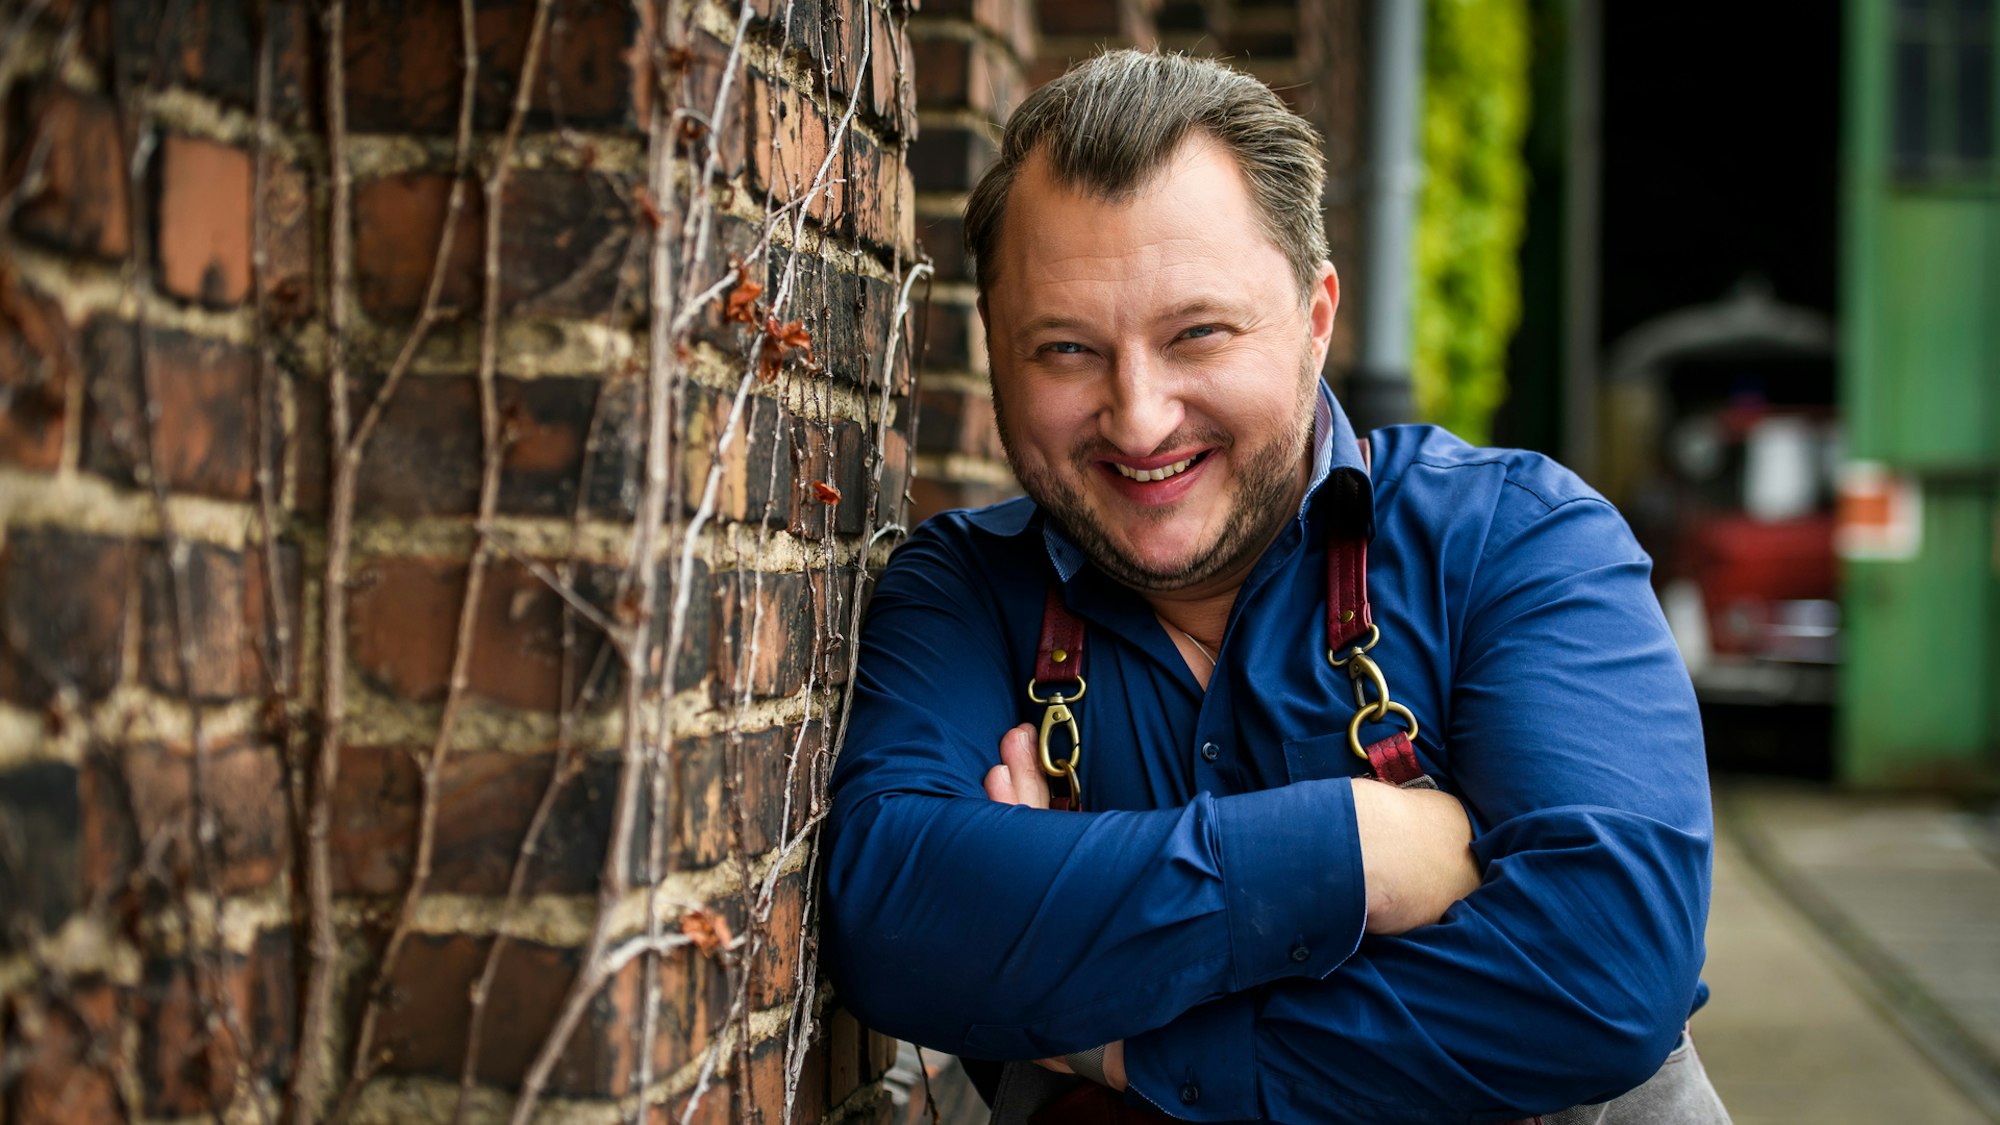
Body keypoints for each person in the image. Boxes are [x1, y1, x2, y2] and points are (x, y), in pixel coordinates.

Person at [822, 50, 1725, 1123]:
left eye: (1197, 333)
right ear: (994, 353)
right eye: (1065, 349)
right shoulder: (962, 595)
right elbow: (893, 918)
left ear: (1314, 317)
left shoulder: (1512, 548)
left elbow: (1604, 979)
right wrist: (1357, 849)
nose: (1140, 418)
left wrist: (1112, 1036)